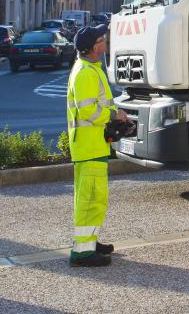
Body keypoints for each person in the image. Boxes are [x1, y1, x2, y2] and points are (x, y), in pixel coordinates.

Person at [65, 25, 128, 268]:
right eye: (102, 40)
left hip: (93, 145)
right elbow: (89, 111)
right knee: (90, 199)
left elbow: (97, 106)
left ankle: (89, 242)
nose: (105, 42)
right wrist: (113, 117)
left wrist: (116, 113)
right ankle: (82, 253)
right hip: (89, 146)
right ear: (93, 48)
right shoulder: (85, 73)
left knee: (94, 198)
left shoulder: (90, 68)